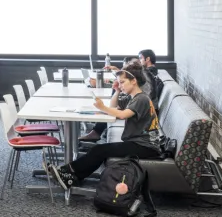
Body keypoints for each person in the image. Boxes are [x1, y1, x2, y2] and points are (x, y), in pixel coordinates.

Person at [49, 61, 162, 189]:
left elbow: (122, 115)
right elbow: (113, 106)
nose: (120, 85)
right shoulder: (134, 97)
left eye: (122, 82)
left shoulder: (141, 99)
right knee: (100, 150)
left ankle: (68, 172)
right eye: (119, 82)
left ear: (133, 81)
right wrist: (117, 90)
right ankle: (72, 175)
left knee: (99, 150)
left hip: (145, 147)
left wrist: (102, 107)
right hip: (140, 143)